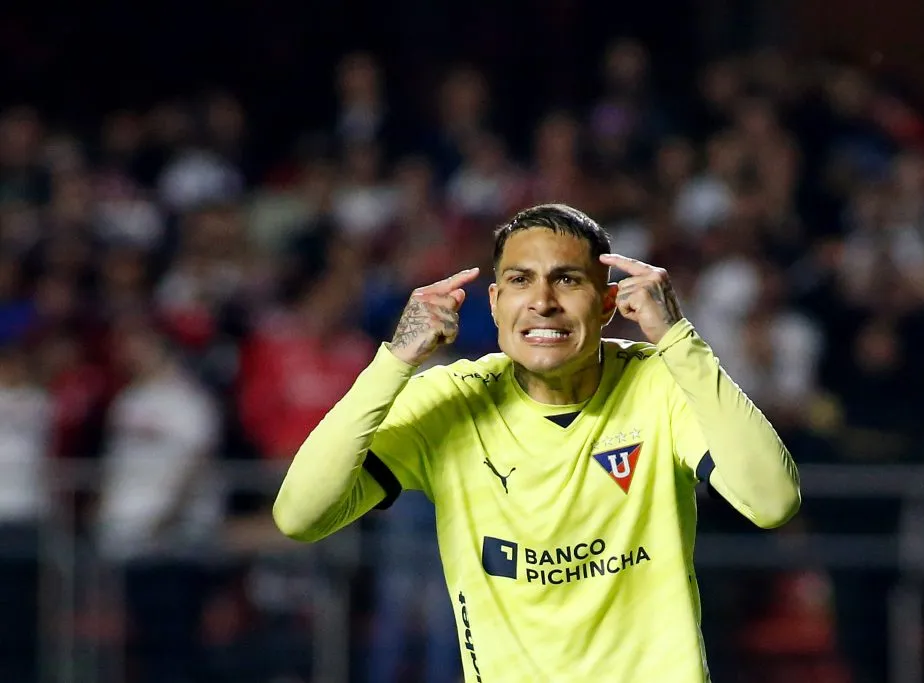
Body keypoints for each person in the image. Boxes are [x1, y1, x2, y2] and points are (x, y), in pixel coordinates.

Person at [273, 203, 801, 682]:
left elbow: (773, 501)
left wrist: (678, 339)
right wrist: (394, 362)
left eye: (567, 280)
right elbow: (300, 515)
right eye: (520, 280)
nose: (543, 302)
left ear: (608, 303)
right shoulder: (449, 400)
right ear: (496, 303)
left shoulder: (661, 382)